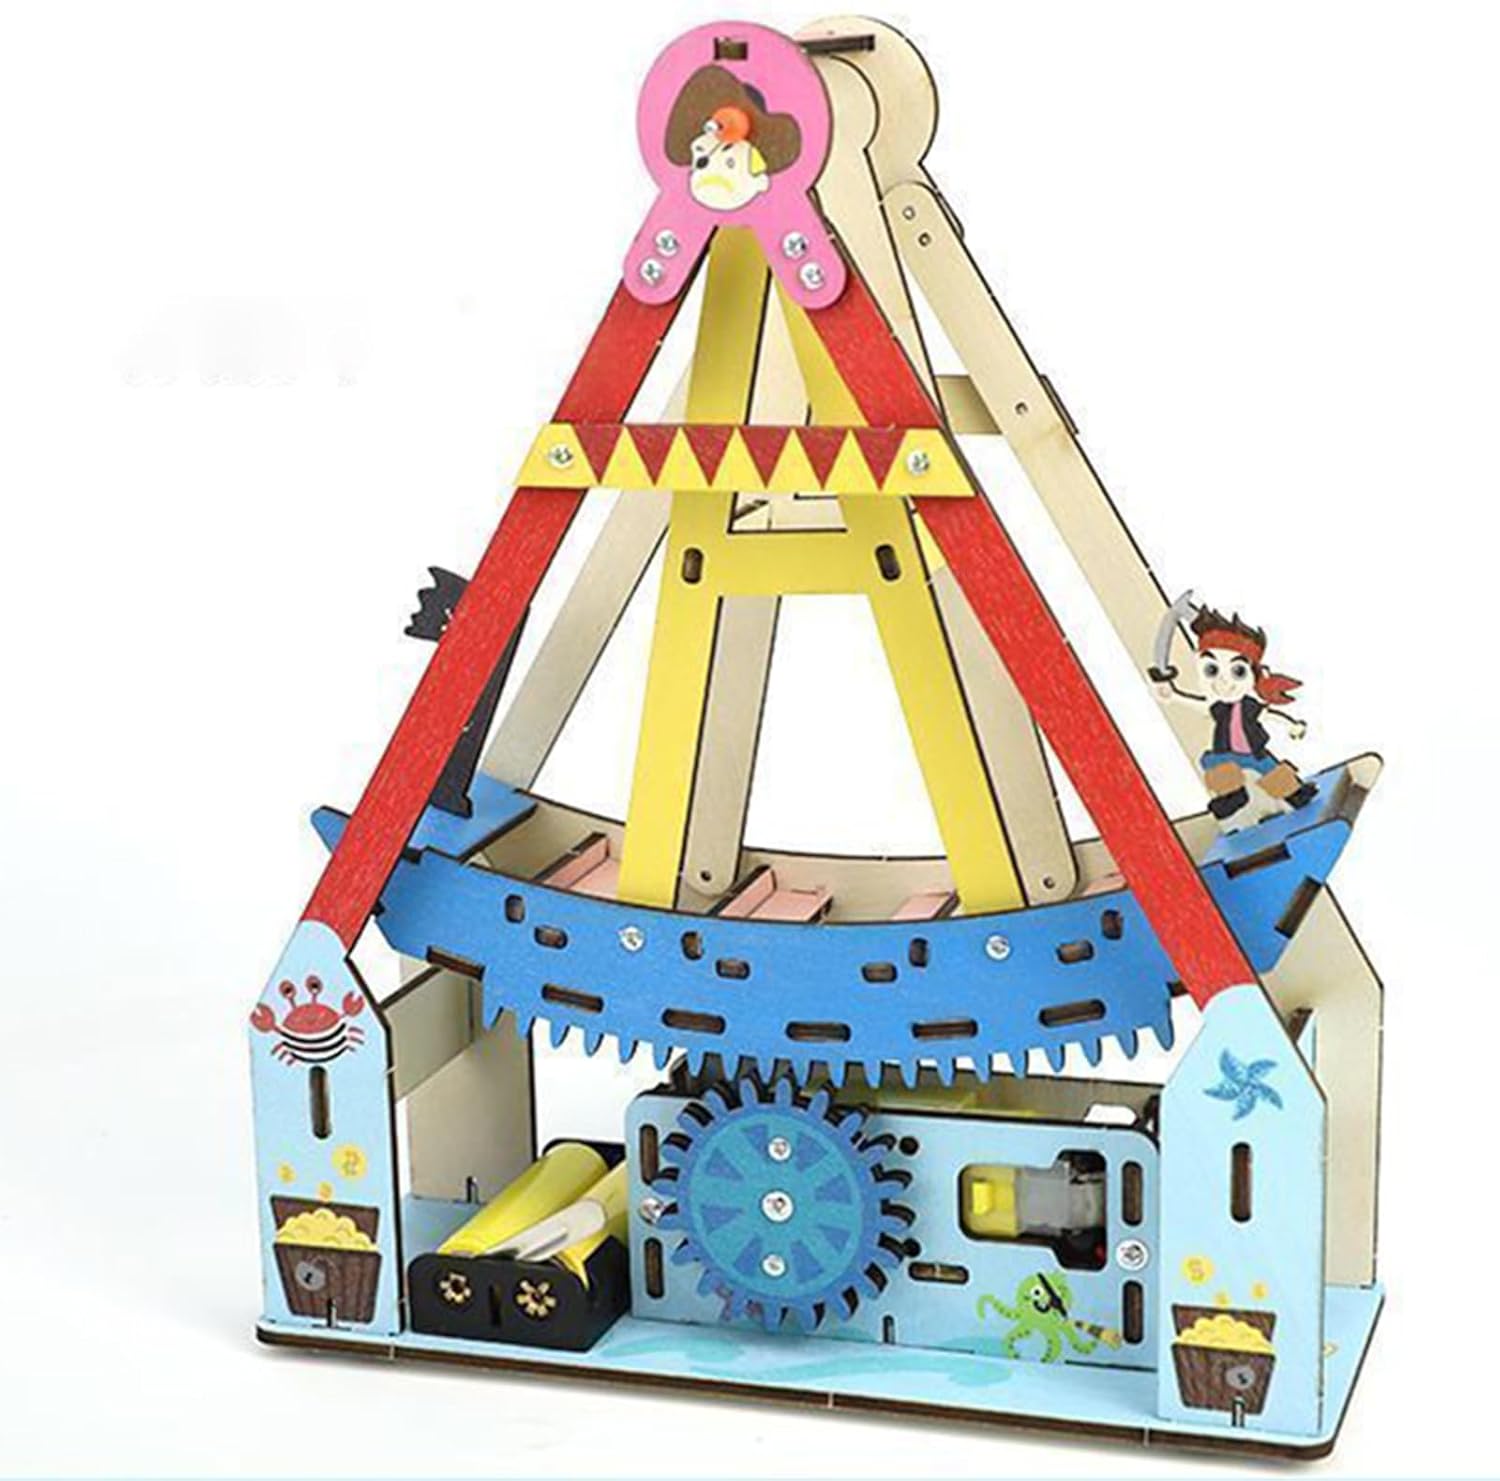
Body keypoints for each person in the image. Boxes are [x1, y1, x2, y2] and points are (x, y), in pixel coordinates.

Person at [1155, 607, 1317, 828]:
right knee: (1213, 765)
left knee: (1271, 772)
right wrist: (1173, 696)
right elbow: (1201, 707)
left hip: (1253, 752)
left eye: (1238, 672)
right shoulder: (1218, 706)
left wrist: (1291, 724)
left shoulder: (1251, 705)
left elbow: (1268, 714)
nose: (1223, 682)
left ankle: (1295, 794)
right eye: (1211, 670)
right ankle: (1233, 796)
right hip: (1226, 752)